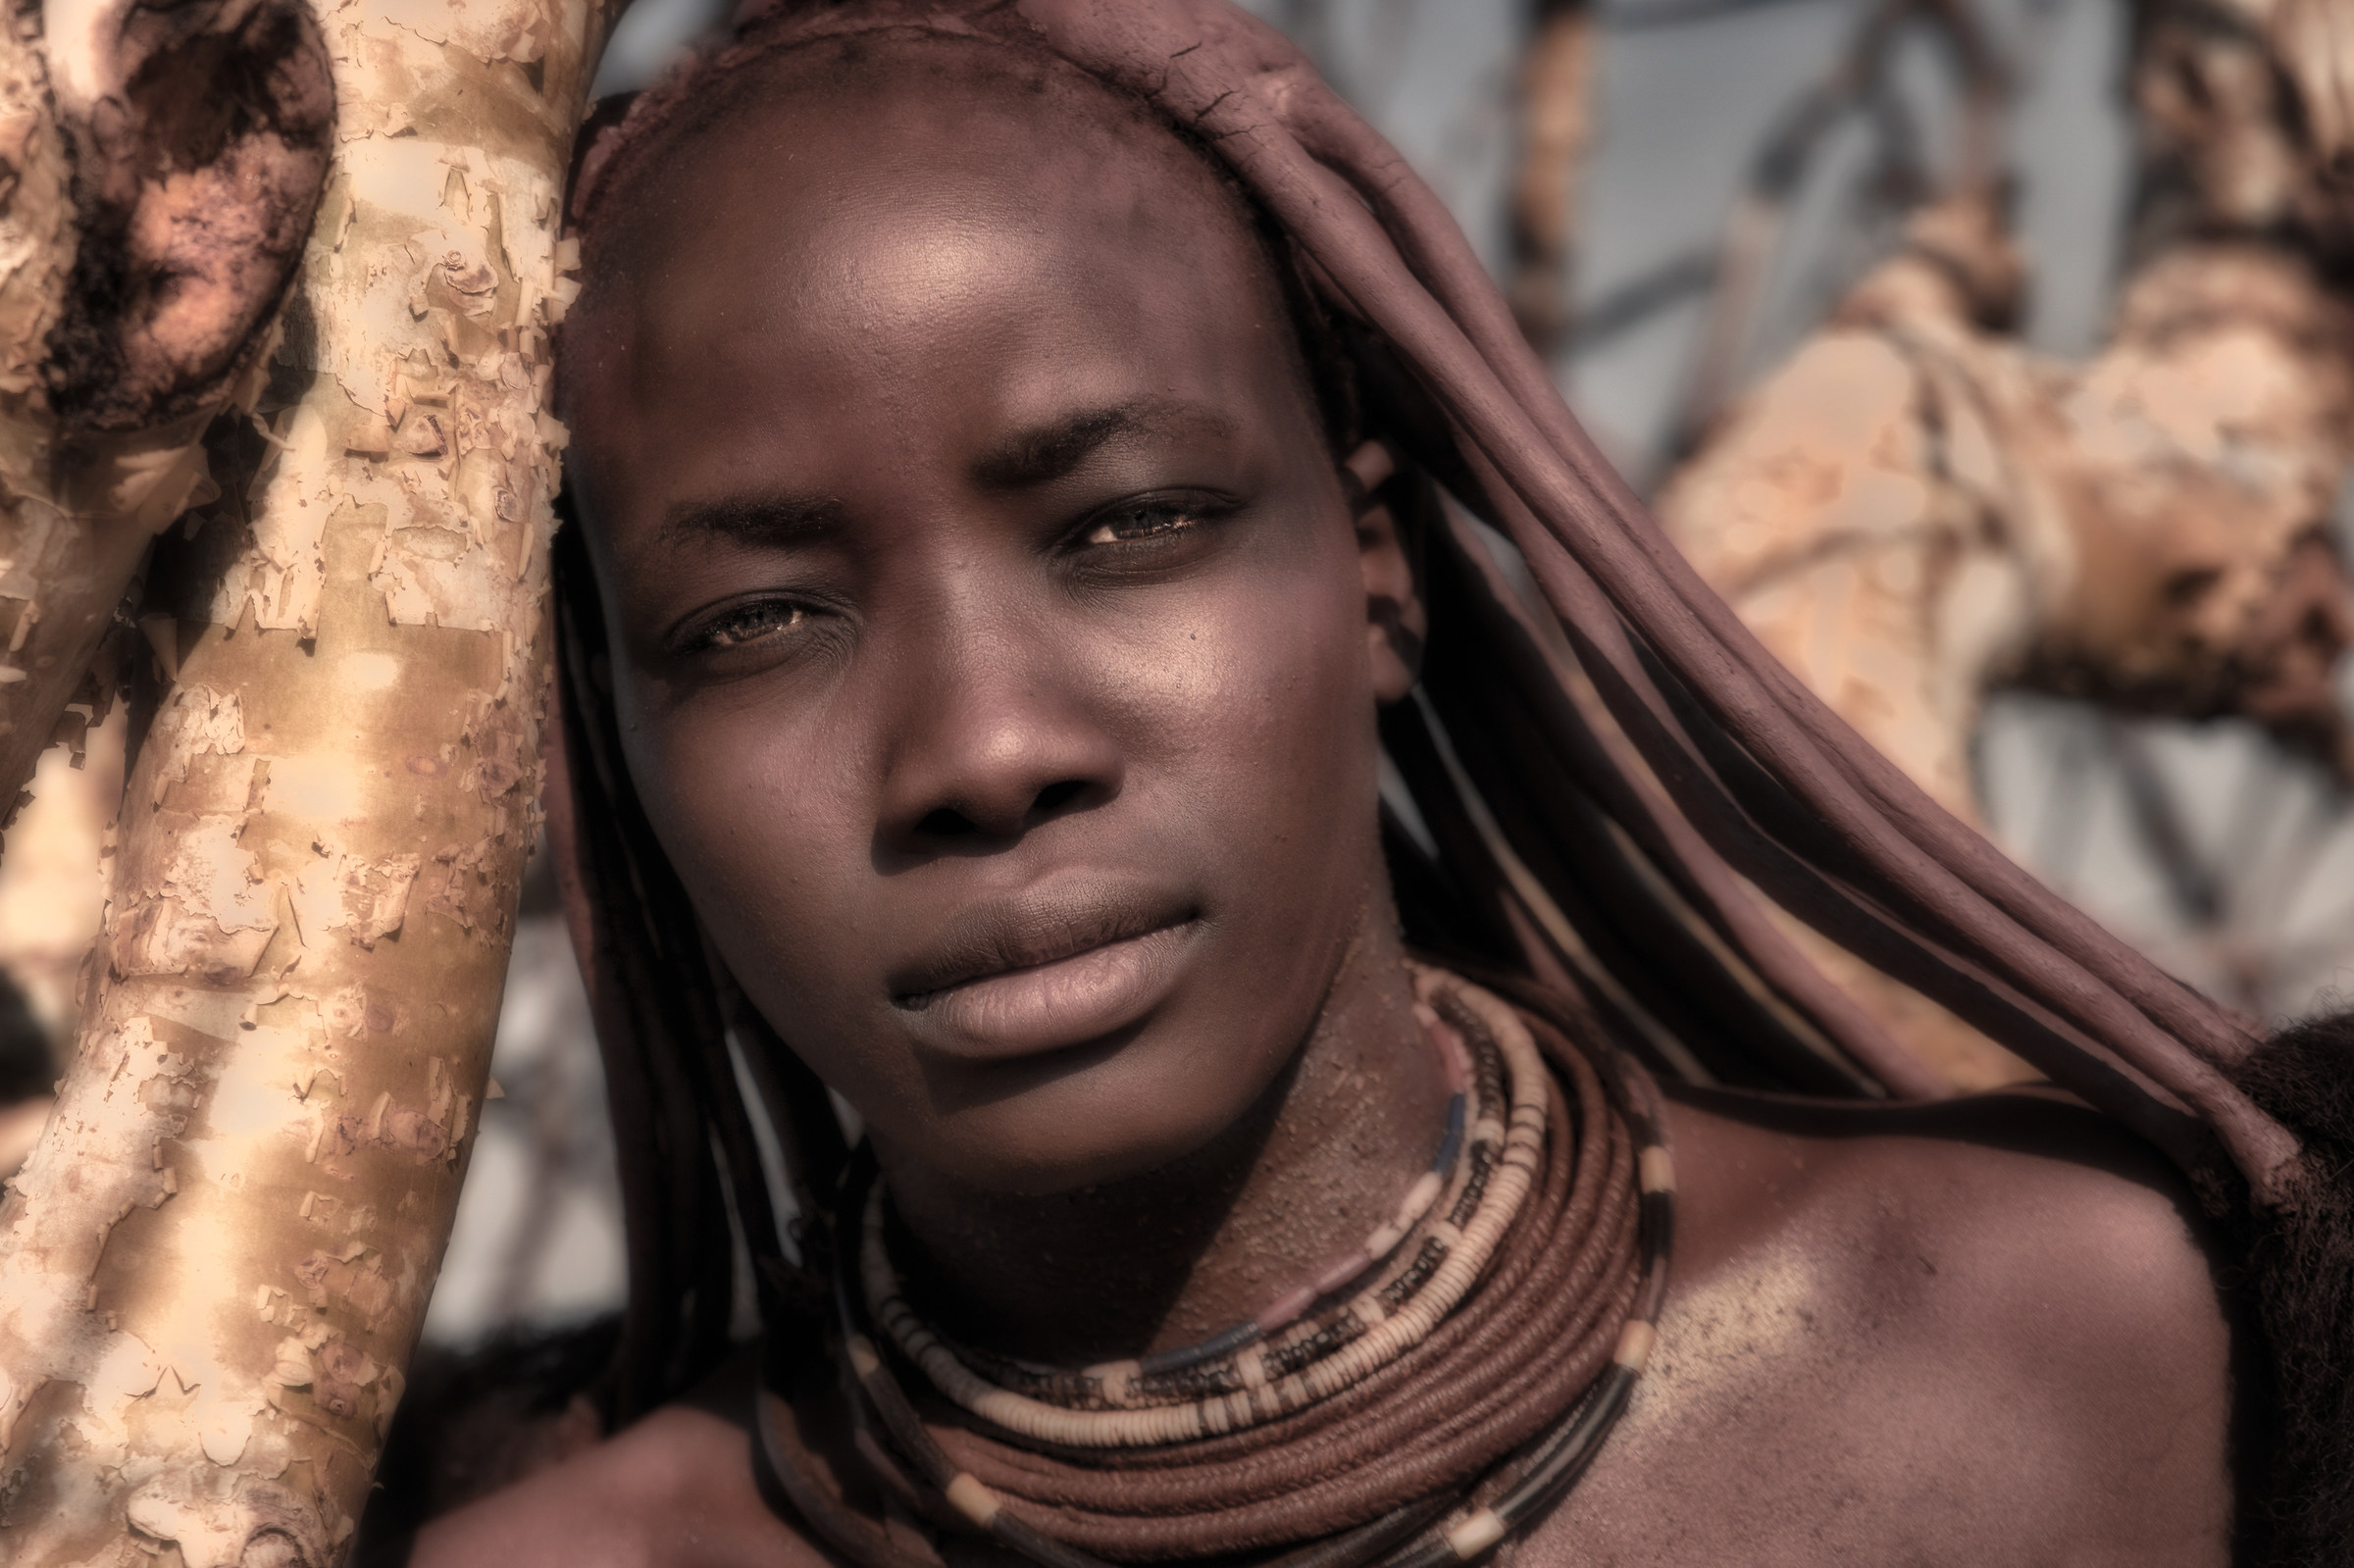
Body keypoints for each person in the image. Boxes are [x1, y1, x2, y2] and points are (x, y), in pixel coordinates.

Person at [403, 2, 2354, 1563]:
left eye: (1125, 525)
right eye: (753, 624)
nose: (985, 753)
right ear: (614, 752)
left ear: (1379, 572)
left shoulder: (2120, 1341)